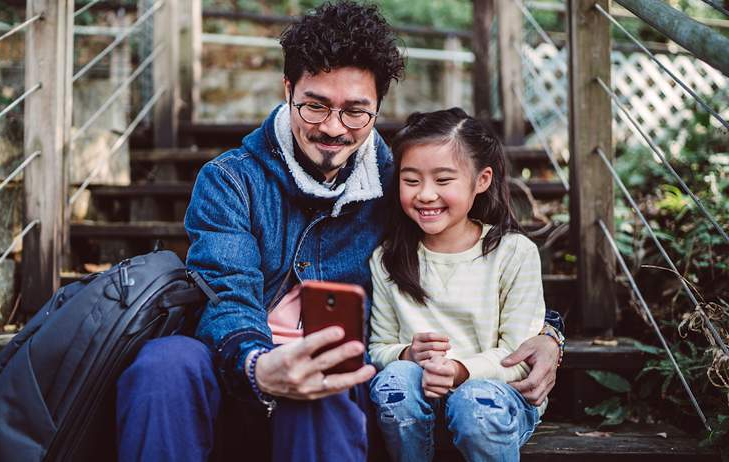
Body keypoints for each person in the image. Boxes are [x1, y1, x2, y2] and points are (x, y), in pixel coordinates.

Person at [115, 3, 564, 461]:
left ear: (378, 108)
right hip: (239, 369)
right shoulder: (230, 181)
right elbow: (227, 295)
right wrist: (257, 364)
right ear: (287, 88)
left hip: (335, 396)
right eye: (315, 106)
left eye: (355, 112)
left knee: (326, 375)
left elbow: (462, 252)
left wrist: (548, 335)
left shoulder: (399, 185)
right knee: (162, 364)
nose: (332, 128)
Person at [368, 108, 554, 462]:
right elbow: (379, 348)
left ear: (481, 180)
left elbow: (519, 356)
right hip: (418, 402)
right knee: (394, 381)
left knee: (475, 403)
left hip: (495, 399)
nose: (425, 194)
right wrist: (408, 354)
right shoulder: (387, 258)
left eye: (443, 180)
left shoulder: (513, 253)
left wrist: (460, 370)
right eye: (411, 180)